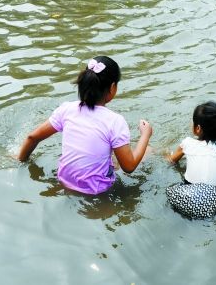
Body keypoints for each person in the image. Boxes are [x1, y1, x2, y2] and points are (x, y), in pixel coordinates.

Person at [17, 56, 153, 195]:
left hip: (64, 182)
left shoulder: (66, 109)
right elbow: (129, 167)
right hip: (98, 191)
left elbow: (32, 138)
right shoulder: (115, 121)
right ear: (112, 88)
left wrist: (21, 161)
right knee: (148, 150)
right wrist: (145, 135)